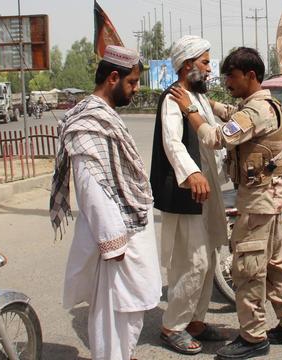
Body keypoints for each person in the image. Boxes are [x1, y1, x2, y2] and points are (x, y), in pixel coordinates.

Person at [168, 47, 282, 360]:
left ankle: (252, 337)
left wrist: (191, 109)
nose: (226, 81)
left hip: (259, 205)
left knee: (248, 270)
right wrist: (209, 104)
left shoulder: (257, 111)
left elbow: (217, 138)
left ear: (251, 75)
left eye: (232, 75)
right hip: (272, 201)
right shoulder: (260, 106)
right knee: (276, 266)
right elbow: (234, 117)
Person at [50, 45, 162, 360]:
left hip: (125, 231)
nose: (137, 89)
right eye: (133, 82)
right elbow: (91, 186)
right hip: (116, 240)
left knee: (125, 315)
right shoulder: (89, 121)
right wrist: (113, 243)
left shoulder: (103, 116)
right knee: (116, 316)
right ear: (114, 77)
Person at [150, 35, 228, 355]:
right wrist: (192, 172)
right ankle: (172, 326)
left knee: (209, 260)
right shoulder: (174, 98)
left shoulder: (199, 97)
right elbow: (173, 142)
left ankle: (195, 320)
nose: (210, 69)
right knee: (191, 261)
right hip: (187, 191)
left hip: (207, 192)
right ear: (187, 65)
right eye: (205, 62)